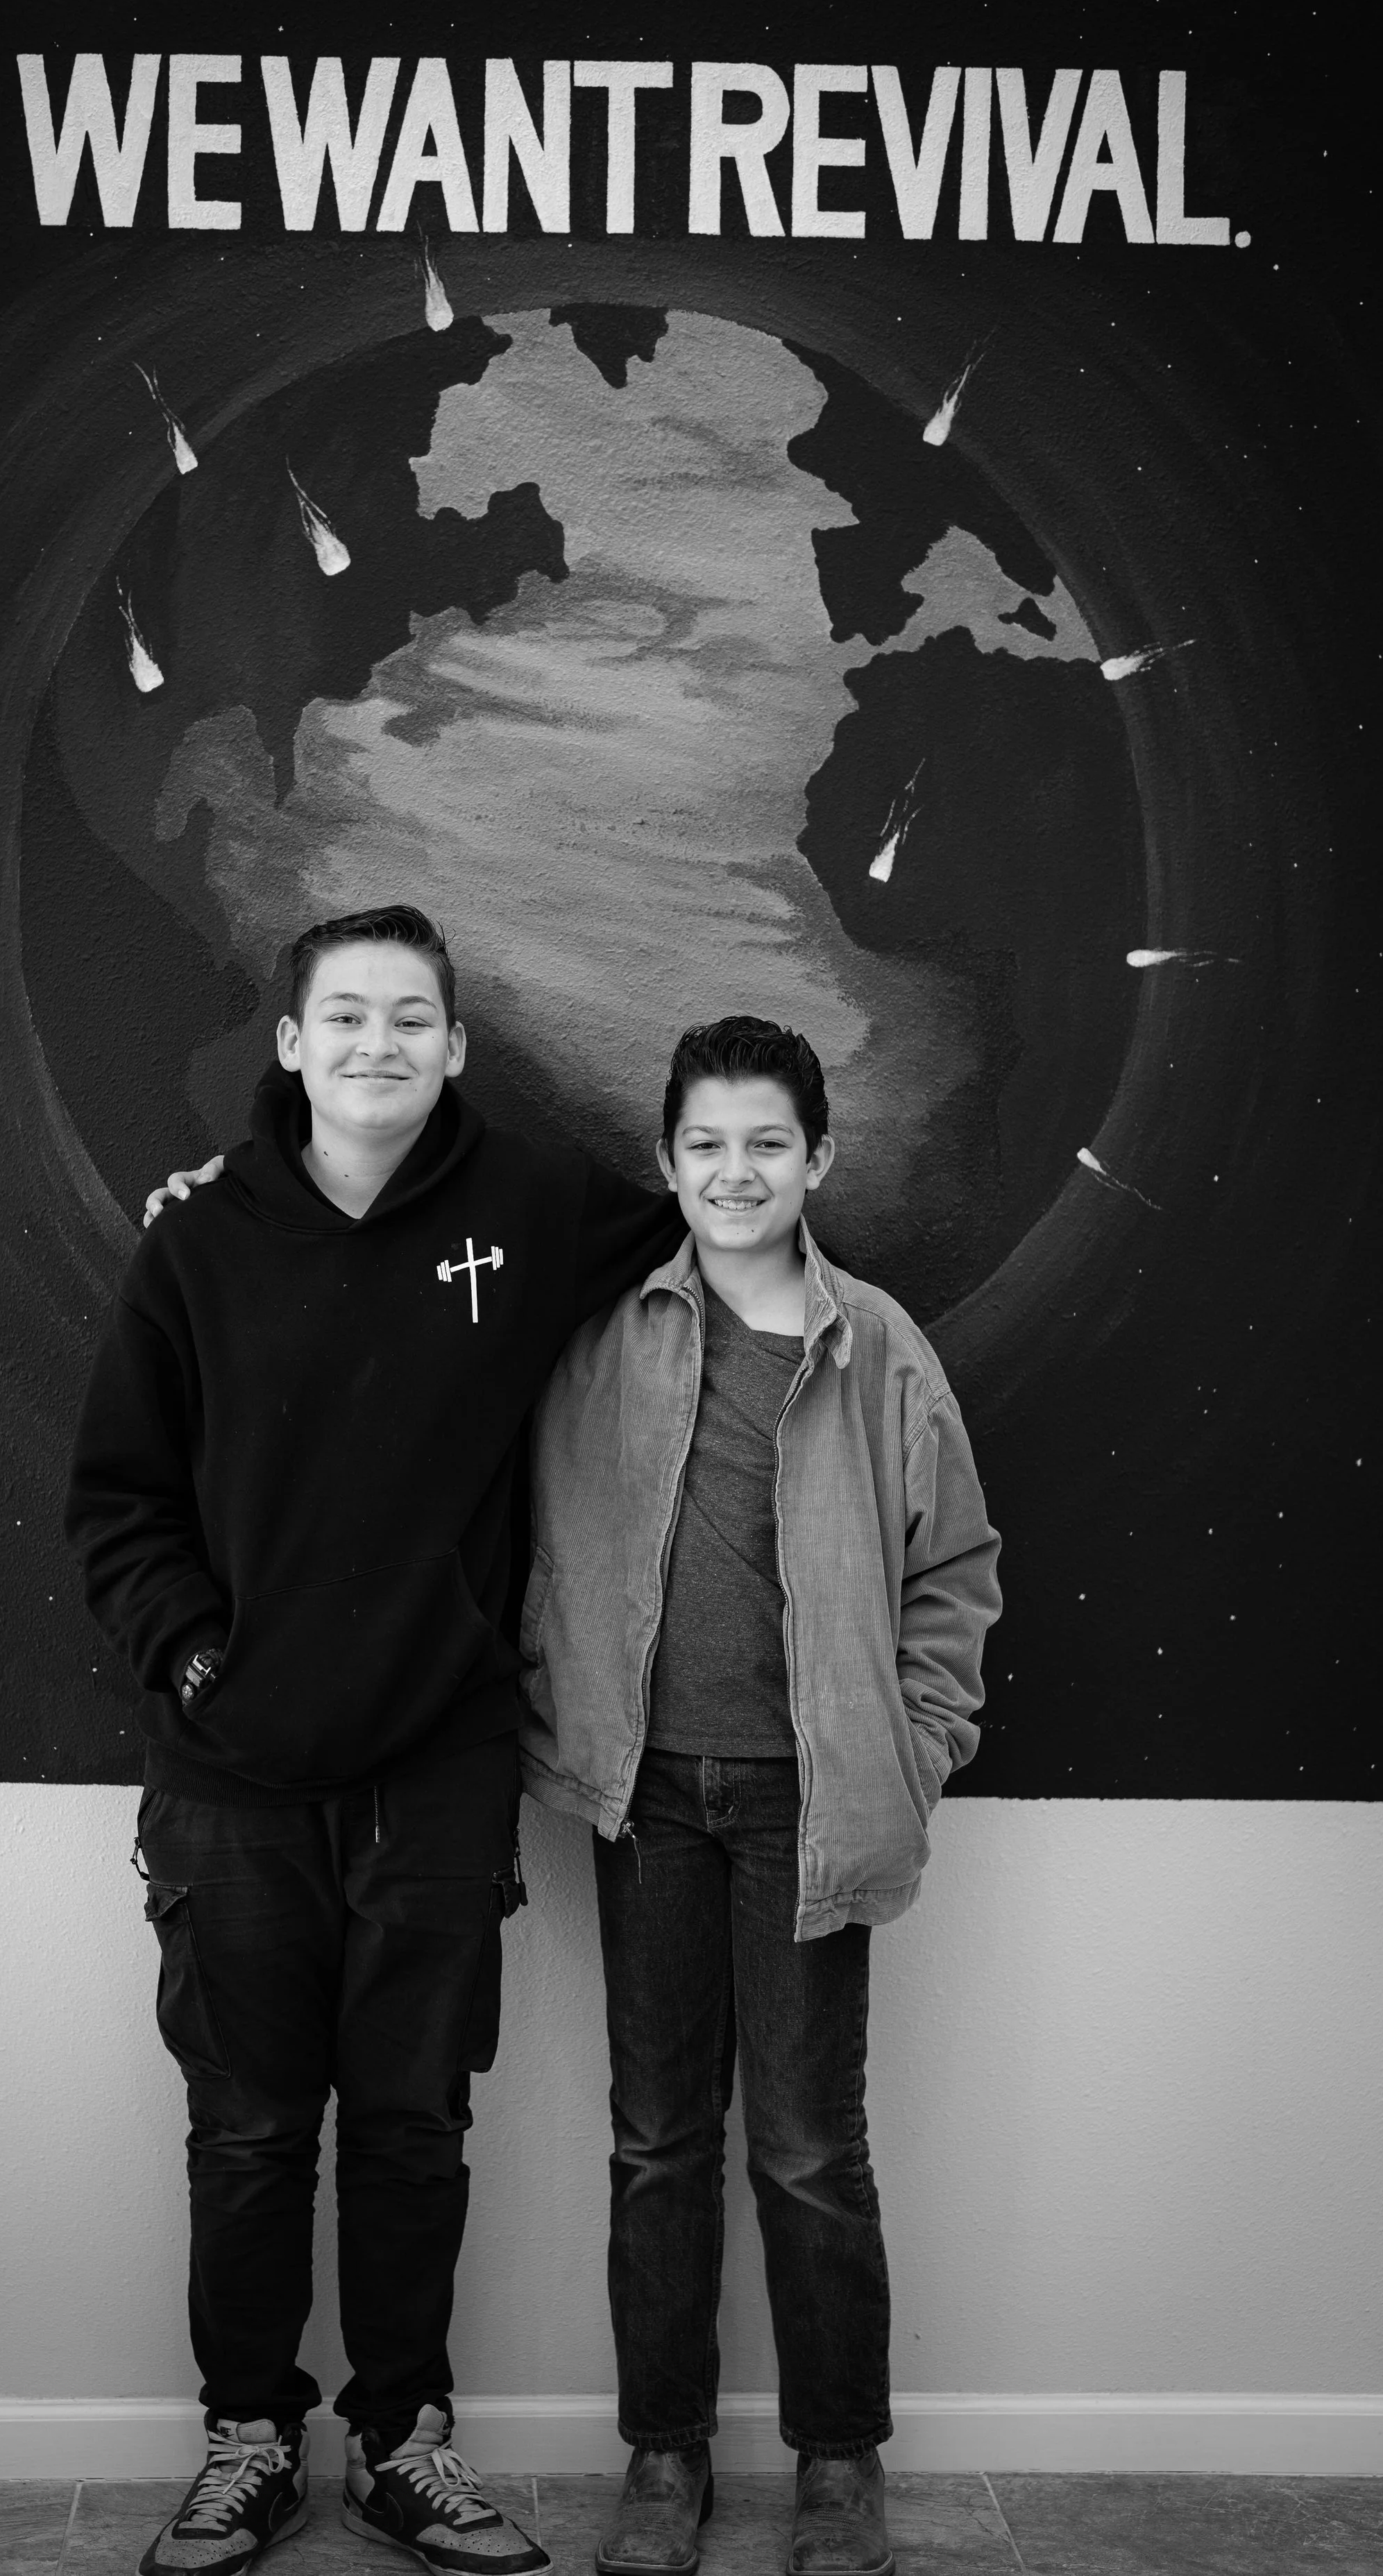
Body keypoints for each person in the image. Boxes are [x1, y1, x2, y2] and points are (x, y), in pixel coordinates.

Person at [65, 904, 679, 2576]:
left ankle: (407, 2446)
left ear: (457, 1046)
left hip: (439, 1756)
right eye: (344, 1019)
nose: (376, 1048)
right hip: (228, 1775)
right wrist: (195, 1660)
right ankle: (247, 2445)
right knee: (251, 2133)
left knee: (412, 2128)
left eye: (410, 1021)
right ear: (287, 1044)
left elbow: (708, 1216)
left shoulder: (534, 1209)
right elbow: (115, 1501)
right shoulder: (193, 1243)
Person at [519, 1017, 1002, 2576]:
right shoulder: (603, 1334)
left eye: (766, 1144)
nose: (736, 1172)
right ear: (667, 1163)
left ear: (817, 1160)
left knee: (806, 2143)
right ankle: (661, 2462)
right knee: (657, 2138)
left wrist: (909, 1748)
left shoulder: (880, 1352)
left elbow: (954, 1578)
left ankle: (836, 2466)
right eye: (706, 1145)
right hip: (645, 1796)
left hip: (811, 1804)